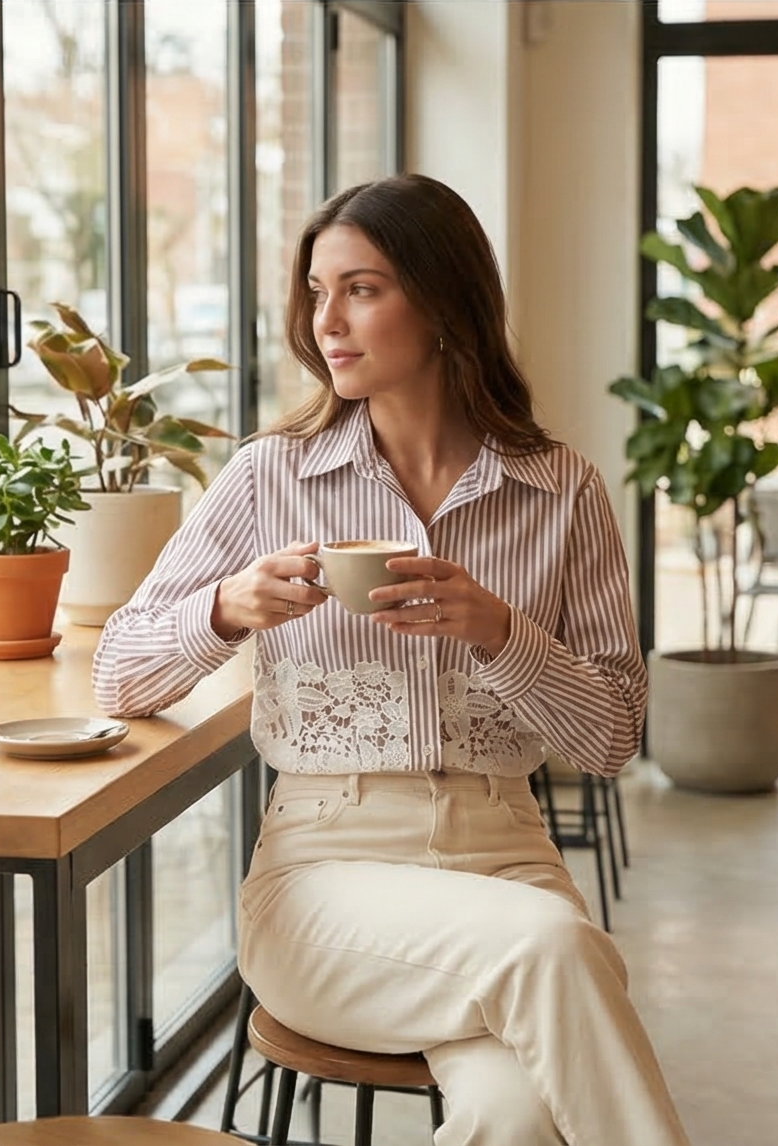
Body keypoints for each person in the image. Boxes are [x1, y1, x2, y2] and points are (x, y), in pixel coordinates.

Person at [93, 174, 691, 1146]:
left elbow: (614, 737)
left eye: (361, 289)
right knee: (556, 946)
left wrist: (499, 632)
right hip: (323, 877)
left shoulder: (562, 491)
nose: (326, 321)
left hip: (507, 861)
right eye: (316, 292)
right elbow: (116, 672)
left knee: (515, 1115)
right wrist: (227, 607)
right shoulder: (271, 476)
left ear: (446, 300)